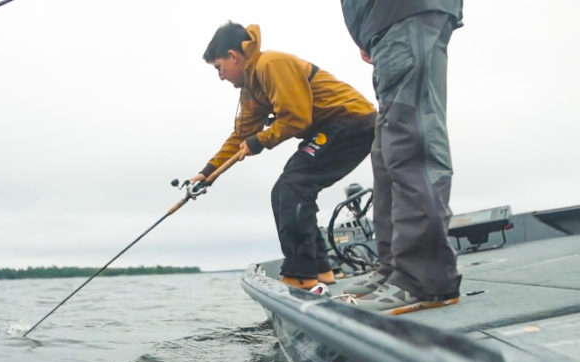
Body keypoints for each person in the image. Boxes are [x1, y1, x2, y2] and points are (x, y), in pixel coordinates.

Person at [191, 22, 376, 293]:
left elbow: (297, 117)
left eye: (219, 67)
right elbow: (240, 136)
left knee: (292, 187)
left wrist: (259, 142)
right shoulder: (251, 92)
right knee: (290, 188)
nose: (220, 76)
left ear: (233, 56)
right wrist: (207, 173)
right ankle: (320, 271)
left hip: (350, 120)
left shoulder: (270, 64)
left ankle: (301, 276)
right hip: (332, 127)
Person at [338, 0, 464, 313]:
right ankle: (394, 267)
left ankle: (424, 277)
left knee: (410, 142)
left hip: (402, 13)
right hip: (382, 26)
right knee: (386, 152)